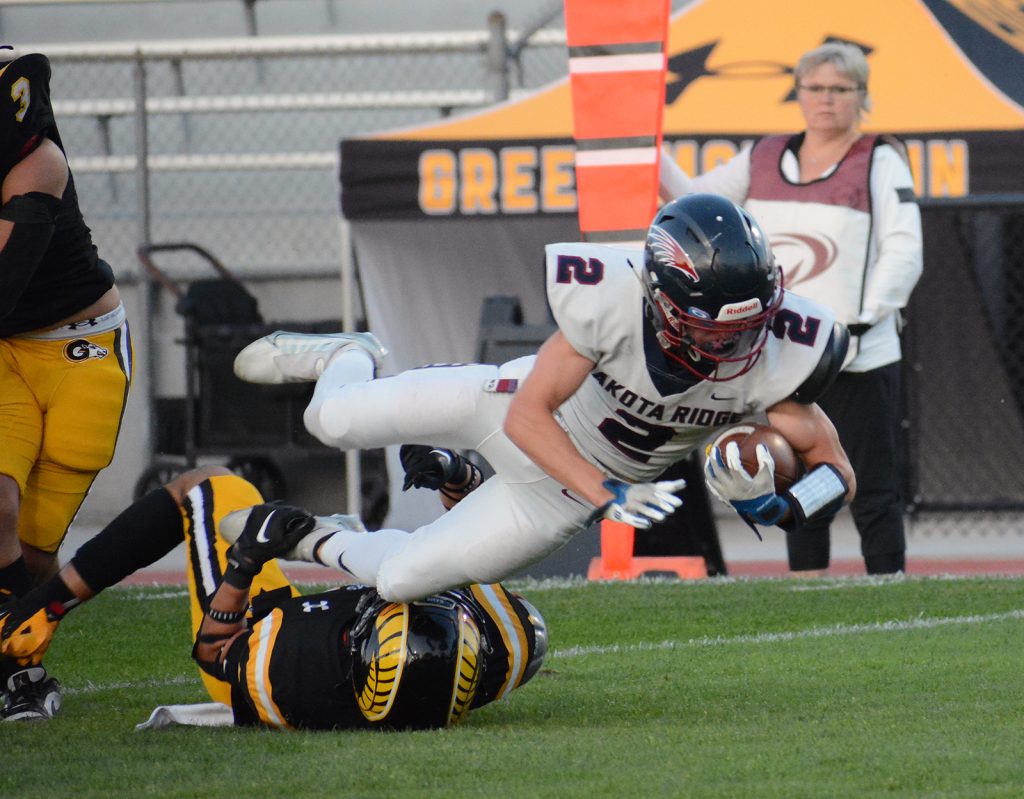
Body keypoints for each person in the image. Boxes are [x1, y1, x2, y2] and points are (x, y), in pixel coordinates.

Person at [231, 192, 856, 603]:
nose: (737, 342)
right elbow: (531, 416)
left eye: (748, 324)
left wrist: (786, 508)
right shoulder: (610, 300)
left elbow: (837, 471)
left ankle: (321, 538)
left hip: (554, 499)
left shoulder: (777, 352)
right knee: (332, 419)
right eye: (712, 326)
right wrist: (607, 492)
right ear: (661, 299)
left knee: (401, 579)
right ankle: (350, 355)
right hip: (508, 412)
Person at [0, 454, 546, 726]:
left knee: (207, 486)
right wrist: (457, 477)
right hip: (344, 647)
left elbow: (215, 653)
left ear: (353, 646)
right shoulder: (509, 642)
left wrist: (244, 563)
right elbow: (476, 544)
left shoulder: (292, 672)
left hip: (252, 637)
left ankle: (36, 611)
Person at [659, 42, 922, 575]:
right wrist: (649, 148)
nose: (827, 101)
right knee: (792, 473)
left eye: (840, 90)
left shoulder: (879, 158)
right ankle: (806, 589)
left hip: (858, 352)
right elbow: (691, 202)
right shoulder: (764, 155)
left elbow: (905, 248)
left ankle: (890, 589)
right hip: (785, 355)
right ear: (798, 94)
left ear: (861, 97)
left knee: (871, 485)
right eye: (816, 88)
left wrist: (863, 320)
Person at [0, 52, 133, 712]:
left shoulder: (39, 164)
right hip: (7, 358)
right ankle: (15, 679)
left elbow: (3, 289)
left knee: (32, 548)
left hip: (81, 350)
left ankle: (25, 653)